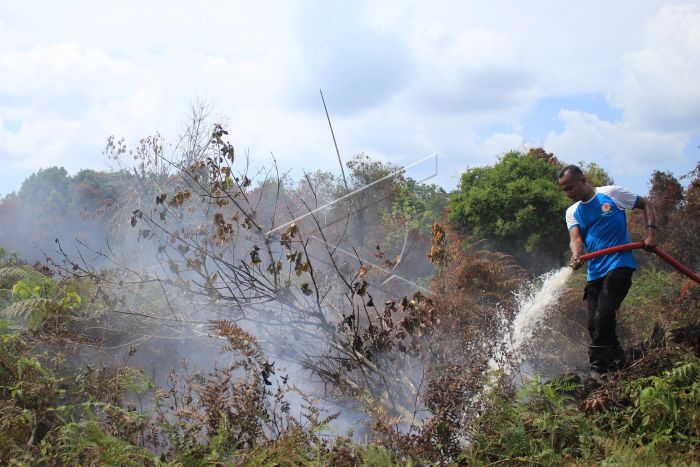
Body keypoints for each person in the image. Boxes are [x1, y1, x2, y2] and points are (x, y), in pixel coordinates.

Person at [558, 165, 656, 380]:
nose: (568, 193)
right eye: (564, 190)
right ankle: (621, 361)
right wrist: (576, 255)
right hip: (594, 272)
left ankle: (598, 368)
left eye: (570, 188)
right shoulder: (572, 212)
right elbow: (576, 240)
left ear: (582, 179)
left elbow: (646, 204)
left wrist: (650, 235)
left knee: (604, 315)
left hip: (619, 264)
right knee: (594, 324)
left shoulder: (611, 194)